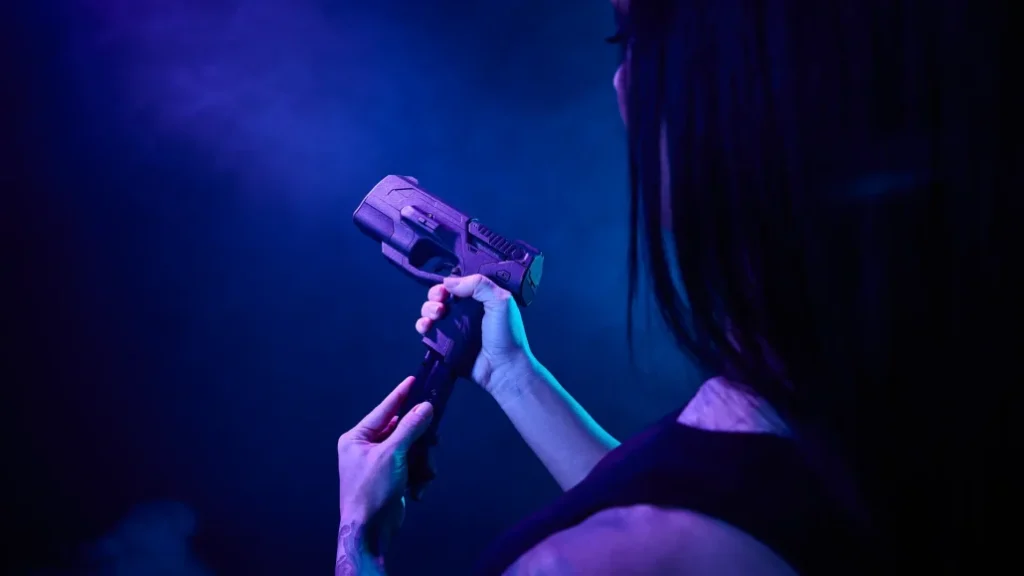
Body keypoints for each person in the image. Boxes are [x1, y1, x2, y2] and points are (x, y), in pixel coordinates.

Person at [334, 0, 1008, 574]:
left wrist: (357, 540)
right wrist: (513, 376)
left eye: (631, 40)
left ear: (736, 92)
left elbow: (657, 533)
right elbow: (713, 497)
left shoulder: (588, 563)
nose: (621, 82)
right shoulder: (893, 406)